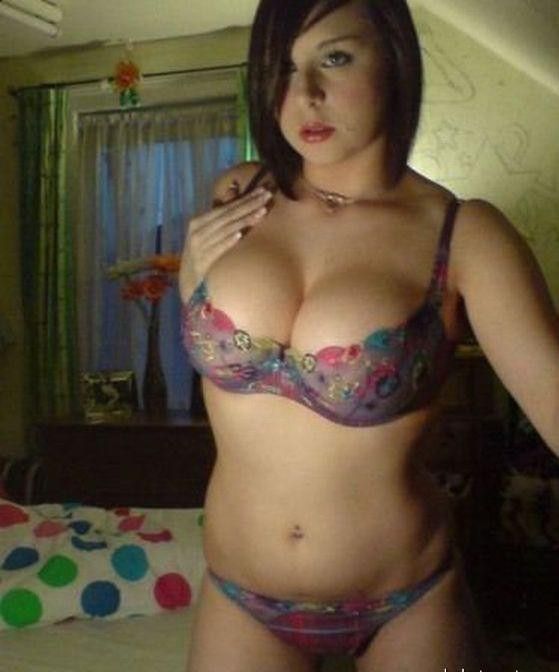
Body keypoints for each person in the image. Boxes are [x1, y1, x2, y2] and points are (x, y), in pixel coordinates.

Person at [179, 0, 559, 670]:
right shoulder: (238, 194)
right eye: (282, 68)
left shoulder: (463, 234)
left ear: (394, 59)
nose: (303, 95)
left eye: (335, 57)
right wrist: (190, 276)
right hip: (239, 597)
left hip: (405, 602)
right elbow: (213, 349)